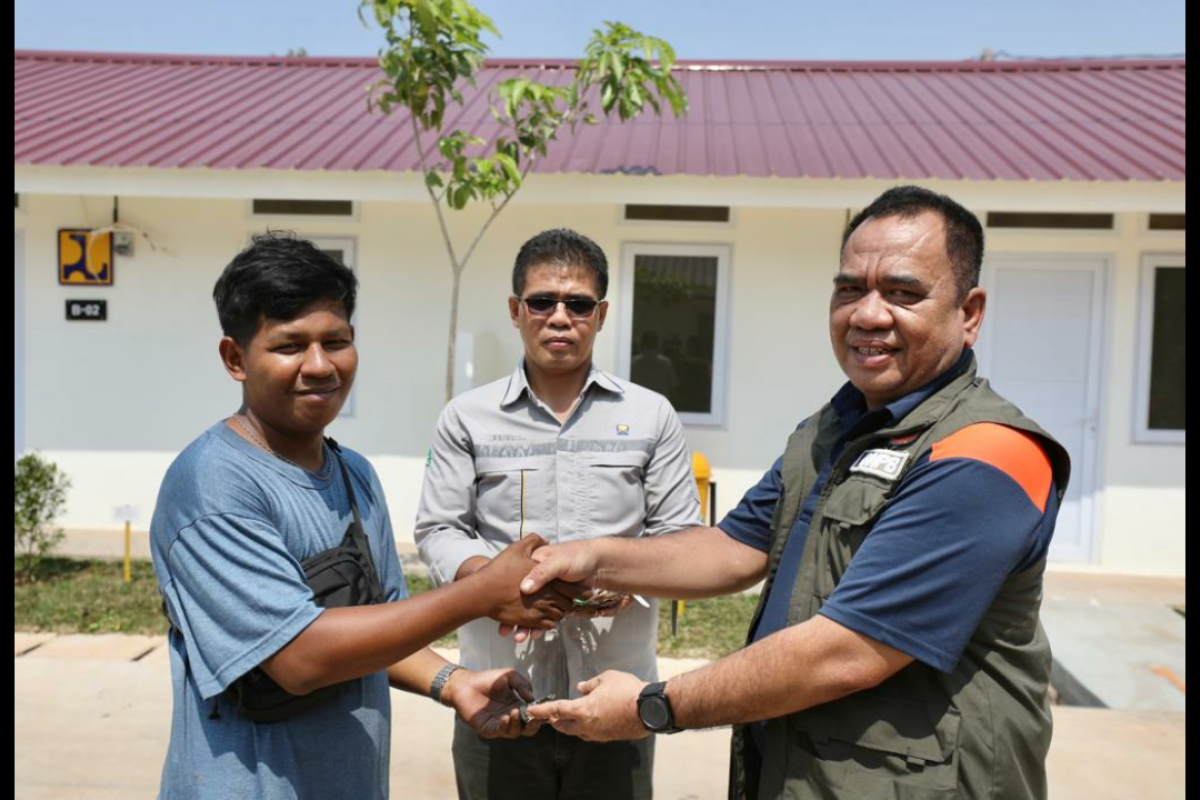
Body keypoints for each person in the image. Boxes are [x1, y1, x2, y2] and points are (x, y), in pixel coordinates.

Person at [522, 187, 1072, 800]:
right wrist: (594, 556)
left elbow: (845, 653)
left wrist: (651, 706)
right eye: (849, 289)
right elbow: (732, 548)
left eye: (902, 292)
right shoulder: (834, 428)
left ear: (969, 313)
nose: (868, 314)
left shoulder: (988, 454)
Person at [149, 232, 562, 799]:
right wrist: (483, 592)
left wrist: (454, 682)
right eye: (290, 346)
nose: (320, 366)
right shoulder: (213, 485)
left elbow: (383, 626)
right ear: (235, 358)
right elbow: (298, 657)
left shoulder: (355, 475)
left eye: (336, 341)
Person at [416, 228, 703, 800]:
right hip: (500, 695)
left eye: (577, 304)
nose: (559, 317)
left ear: (600, 315)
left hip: (615, 698)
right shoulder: (466, 418)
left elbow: (682, 539)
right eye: (542, 302)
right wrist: (490, 582)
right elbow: (439, 527)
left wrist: (621, 576)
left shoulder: (651, 415)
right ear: (516, 310)